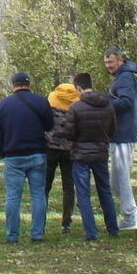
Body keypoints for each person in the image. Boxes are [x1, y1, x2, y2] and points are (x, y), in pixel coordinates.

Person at [0, 71, 53, 243]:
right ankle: (37, 234)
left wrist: (3, 151)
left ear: (13, 85)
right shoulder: (41, 101)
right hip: (37, 154)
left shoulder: (3, 105)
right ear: (29, 84)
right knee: (38, 195)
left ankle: (12, 235)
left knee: (13, 197)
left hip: (13, 155)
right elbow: (50, 125)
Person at [60, 72, 119, 242]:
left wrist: (62, 133)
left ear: (78, 88)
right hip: (100, 153)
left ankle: (91, 232)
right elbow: (113, 130)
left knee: (84, 194)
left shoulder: (76, 108)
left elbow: (70, 133)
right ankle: (112, 228)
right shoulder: (108, 105)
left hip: (81, 156)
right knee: (105, 191)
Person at [104, 48, 137, 230]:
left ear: (120, 60)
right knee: (116, 180)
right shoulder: (121, 77)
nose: (108, 66)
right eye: (106, 63)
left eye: (111, 62)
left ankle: (130, 217)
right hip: (119, 134)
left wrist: (104, 102)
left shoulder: (126, 77)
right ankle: (133, 215)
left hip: (123, 134)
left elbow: (127, 103)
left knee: (121, 179)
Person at [44, 79, 80, 232]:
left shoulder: (51, 99)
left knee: (45, 186)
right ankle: (66, 222)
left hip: (50, 147)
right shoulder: (77, 103)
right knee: (68, 187)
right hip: (70, 149)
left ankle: (41, 221)